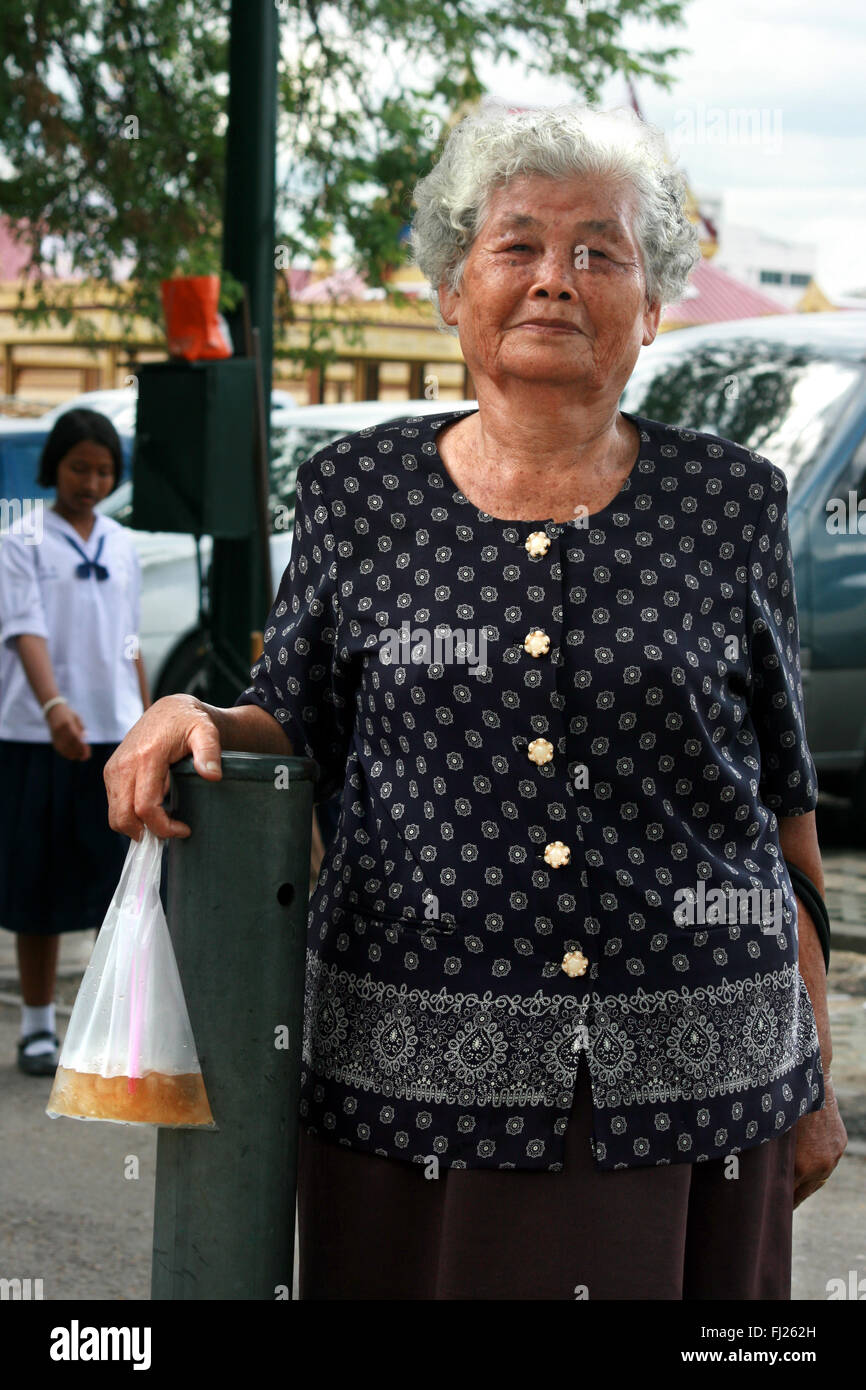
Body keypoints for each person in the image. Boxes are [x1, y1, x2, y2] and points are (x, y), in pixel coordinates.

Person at [103, 105, 846, 1300]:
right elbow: (283, 715)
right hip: (411, 1100)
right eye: (516, 246)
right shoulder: (358, 493)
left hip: (700, 1098)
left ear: (650, 307)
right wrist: (180, 714)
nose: (556, 278)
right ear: (453, 290)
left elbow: (781, 812)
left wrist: (809, 1074)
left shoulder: (731, 502)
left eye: (599, 253)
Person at [0, 408, 149, 1076]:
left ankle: (108, 1029)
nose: (91, 481)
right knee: (39, 883)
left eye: (104, 470)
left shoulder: (122, 543)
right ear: (53, 467)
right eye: (78, 467)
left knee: (114, 888)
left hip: (114, 736)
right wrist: (54, 705)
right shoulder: (21, 540)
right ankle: (36, 1027)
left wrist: (147, 719)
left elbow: (130, 640)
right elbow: (24, 629)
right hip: (37, 735)